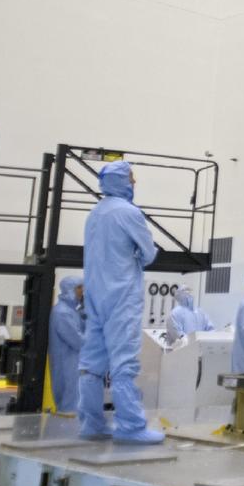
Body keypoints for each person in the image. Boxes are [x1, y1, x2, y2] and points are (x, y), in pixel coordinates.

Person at [77, 160, 162, 444]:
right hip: (122, 295)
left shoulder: (95, 214)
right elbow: (148, 254)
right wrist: (139, 255)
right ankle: (131, 426)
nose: (134, 183)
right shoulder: (129, 213)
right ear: (122, 181)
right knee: (124, 362)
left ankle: (92, 424)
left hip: (95, 295)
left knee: (92, 363)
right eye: (131, 178)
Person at [49, 275, 85, 412]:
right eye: (79, 287)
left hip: (75, 366)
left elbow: (85, 327)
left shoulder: (72, 311)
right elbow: (78, 341)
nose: (82, 290)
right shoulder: (62, 313)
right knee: (70, 406)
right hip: (67, 368)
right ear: (69, 290)